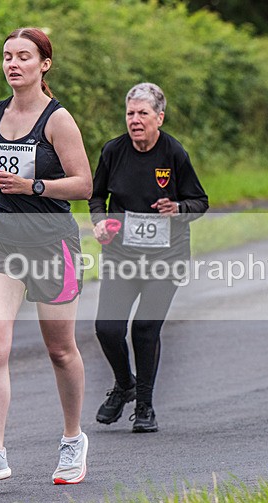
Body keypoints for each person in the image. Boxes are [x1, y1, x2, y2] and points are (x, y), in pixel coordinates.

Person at [0, 28, 92, 485]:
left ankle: (73, 438)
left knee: (60, 350)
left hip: (51, 242)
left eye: (23, 57)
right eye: (7, 56)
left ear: (44, 65)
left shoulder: (57, 120)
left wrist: (36, 187)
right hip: (0, 240)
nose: (13, 64)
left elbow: (83, 185)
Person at [88, 83, 208, 433]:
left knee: (144, 328)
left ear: (159, 117)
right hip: (122, 255)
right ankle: (124, 384)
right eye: (130, 113)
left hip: (165, 258)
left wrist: (179, 208)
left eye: (143, 113)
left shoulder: (174, 154)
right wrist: (99, 223)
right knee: (107, 329)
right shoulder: (113, 151)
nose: (135, 120)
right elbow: (96, 198)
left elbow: (200, 201)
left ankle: (145, 405)